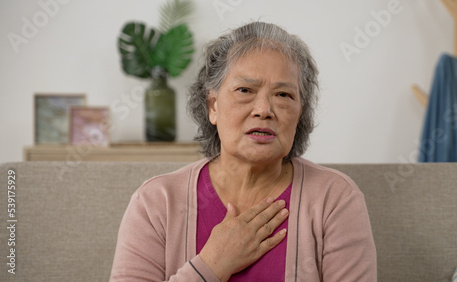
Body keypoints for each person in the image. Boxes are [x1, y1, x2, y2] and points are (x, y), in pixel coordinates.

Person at [110, 21, 376, 282]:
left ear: (300, 114)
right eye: (245, 90)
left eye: (283, 95)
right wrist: (212, 266)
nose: (263, 110)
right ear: (213, 106)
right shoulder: (156, 202)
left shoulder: (336, 199)